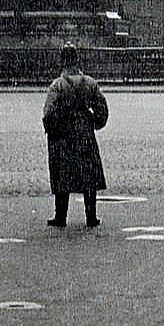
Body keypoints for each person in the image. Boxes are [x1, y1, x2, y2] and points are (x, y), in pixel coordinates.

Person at [42, 43, 108, 227]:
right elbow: (102, 109)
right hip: (85, 131)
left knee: (63, 172)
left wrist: (53, 130)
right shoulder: (90, 83)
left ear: (62, 61)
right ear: (77, 60)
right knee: (88, 173)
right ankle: (91, 216)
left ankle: (61, 216)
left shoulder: (58, 85)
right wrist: (93, 122)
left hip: (64, 133)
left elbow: (48, 112)